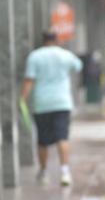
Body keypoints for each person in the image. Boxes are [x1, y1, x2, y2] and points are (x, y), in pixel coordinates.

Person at [21, 31, 83, 186]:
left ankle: (43, 172)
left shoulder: (34, 56)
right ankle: (64, 171)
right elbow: (78, 66)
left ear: (42, 40)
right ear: (56, 40)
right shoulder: (64, 54)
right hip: (62, 102)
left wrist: (22, 99)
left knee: (43, 140)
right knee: (63, 137)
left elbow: (29, 80)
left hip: (42, 104)